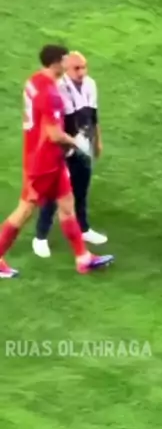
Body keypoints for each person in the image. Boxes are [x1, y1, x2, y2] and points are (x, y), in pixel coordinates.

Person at [0, 45, 114, 279]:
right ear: (55, 63)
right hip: (43, 161)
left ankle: (83, 258)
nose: (67, 63)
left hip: (46, 156)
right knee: (24, 210)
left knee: (67, 205)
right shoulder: (50, 94)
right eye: (64, 60)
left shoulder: (34, 81)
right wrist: (78, 143)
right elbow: (54, 135)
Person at [33, 51, 107, 258]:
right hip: (61, 149)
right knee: (53, 194)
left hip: (83, 146)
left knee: (81, 188)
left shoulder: (90, 84)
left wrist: (97, 141)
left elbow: (93, 116)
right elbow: (55, 124)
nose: (81, 72)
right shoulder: (57, 89)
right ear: (66, 69)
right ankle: (40, 237)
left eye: (84, 67)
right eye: (76, 68)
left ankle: (83, 228)